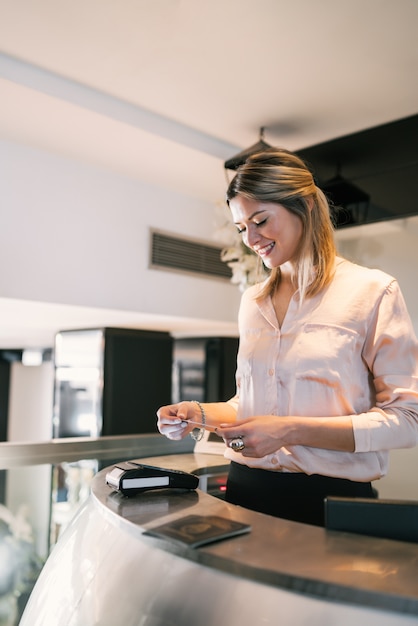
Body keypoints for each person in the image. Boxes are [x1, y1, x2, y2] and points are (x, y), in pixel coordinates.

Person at [157, 147, 418, 526]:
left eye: (260, 220)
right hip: (245, 491)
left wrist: (289, 431)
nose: (251, 238)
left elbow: (408, 419)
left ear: (307, 206)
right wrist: (197, 414)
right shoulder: (252, 301)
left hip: (329, 503)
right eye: (242, 228)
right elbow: (252, 403)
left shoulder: (373, 291)